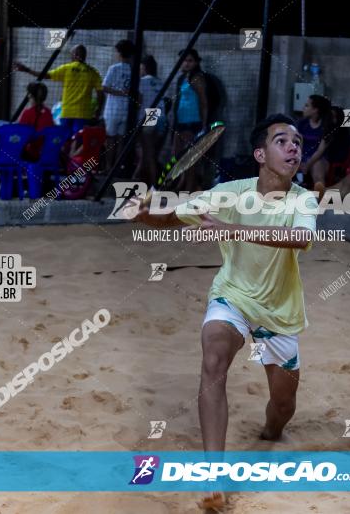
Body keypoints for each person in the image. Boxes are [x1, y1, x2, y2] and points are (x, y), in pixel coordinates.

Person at [132, 114, 317, 511]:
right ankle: (213, 473)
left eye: (297, 142)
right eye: (282, 140)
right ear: (260, 154)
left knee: (282, 407)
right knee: (213, 355)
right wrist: (145, 212)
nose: (293, 147)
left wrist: (232, 230)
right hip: (232, 296)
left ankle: (271, 429)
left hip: (279, 311)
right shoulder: (229, 192)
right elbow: (172, 219)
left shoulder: (304, 198)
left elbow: (301, 238)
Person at [15, 44, 104, 136]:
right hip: (83, 114)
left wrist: (27, 69)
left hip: (66, 112)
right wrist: (97, 111)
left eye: (71, 54)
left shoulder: (66, 68)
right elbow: (100, 94)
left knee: (63, 139)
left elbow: (44, 75)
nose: (70, 56)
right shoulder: (93, 72)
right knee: (78, 140)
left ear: (75, 55)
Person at [172, 49, 208, 191]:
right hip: (180, 122)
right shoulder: (183, 78)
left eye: (190, 60)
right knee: (178, 156)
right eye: (184, 60)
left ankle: (188, 188)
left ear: (196, 62)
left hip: (192, 122)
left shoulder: (197, 78)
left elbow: (204, 102)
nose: (186, 64)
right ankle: (183, 184)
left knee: (188, 158)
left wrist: (203, 126)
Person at [101, 39, 134, 174]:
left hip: (113, 109)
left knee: (110, 139)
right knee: (121, 140)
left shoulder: (114, 68)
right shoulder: (134, 69)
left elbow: (104, 87)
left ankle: (109, 167)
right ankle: (118, 167)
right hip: (127, 109)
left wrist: (119, 92)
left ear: (119, 52)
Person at [134, 55, 167, 184]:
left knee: (149, 155)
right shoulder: (160, 82)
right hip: (161, 116)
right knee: (148, 153)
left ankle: (155, 186)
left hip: (150, 115)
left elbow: (139, 102)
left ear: (144, 67)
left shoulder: (142, 81)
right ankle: (134, 178)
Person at [295, 95, 333, 191]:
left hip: (318, 158)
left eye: (307, 106)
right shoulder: (302, 123)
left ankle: (320, 203)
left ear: (315, 110)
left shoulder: (326, 126)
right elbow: (298, 144)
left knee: (318, 175)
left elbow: (320, 150)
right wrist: (299, 160)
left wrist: (308, 164)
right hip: (302, 155)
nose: (303, 108)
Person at [17, 81, 55, 161]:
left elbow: (19, 134)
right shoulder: (48, 112)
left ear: (30, 95)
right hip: (48, 153)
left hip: (33, 154)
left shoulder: (27, 113)